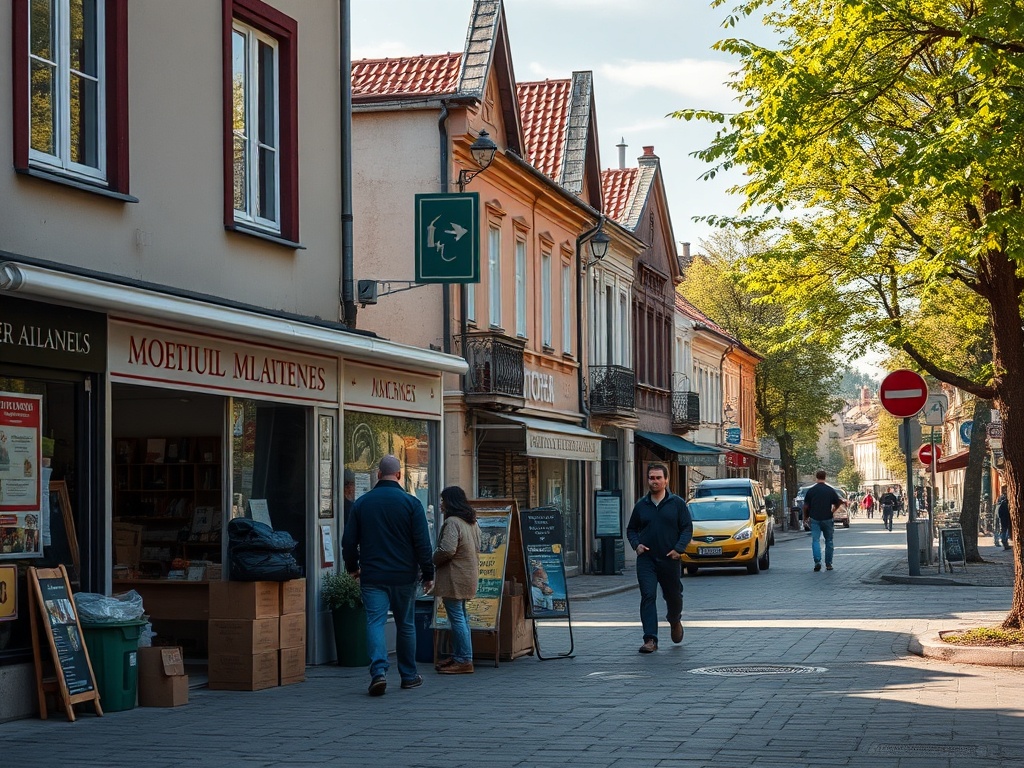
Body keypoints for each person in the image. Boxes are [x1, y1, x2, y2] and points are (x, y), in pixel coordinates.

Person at [341, 455, 434, 696]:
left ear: (378, 475)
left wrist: (352, 567)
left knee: (374, 622)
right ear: (400, 475)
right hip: (404, 575)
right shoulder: (412, 504)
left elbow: (348, 541)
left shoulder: (363, 503)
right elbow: (423, 544)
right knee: (406, 624)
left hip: (373, 575)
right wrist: (428, 573)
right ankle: (409, 676)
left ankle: (379, 673)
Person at [626, 463, 693, 653]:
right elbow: (631, 529)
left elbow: (687, 528)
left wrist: (679, 549)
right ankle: (650, 639)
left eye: (658, 478)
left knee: (673, 596)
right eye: (651, 478)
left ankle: (674, 620)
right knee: (648, 595)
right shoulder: (642, 505)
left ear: (666, 480)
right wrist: (636, 545)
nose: (654, 481)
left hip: (669, 558)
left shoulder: (677, 503)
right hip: (647, 559)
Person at [432, 485, 481, 675]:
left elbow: (447, 550)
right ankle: (461, 655)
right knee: (462, 616)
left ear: (450, 502)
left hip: (455, 576)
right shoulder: (471, 521)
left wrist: (432, 559)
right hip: (468, 575)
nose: (441, 504)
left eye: (443, 500)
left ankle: (464, 659)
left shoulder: (453, 522)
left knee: (458, 617)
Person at [802, 469, 843, 571]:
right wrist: (833, 511)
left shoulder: (811, 491)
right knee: (829, 541)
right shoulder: (830, 490)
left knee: (815, 540)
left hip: (815, 518)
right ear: (825, 477)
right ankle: (828, 563)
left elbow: (806, 506)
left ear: (816, 477)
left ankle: (817, 561)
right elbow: (838, 501)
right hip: (827, 518)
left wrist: (805, 517)